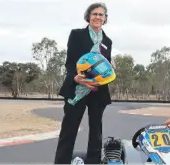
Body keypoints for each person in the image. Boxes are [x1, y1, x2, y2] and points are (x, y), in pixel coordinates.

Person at [54, 2, 113, 164]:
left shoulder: (107, 41)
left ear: (105, 18)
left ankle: (94, 161)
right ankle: (61, 161)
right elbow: (70, 62)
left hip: (97, 91)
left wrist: (111, 66)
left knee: (96, 132)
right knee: (68, 131)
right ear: (88, 16)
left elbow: (105, 66)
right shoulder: (77, 34)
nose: (97, 17)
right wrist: (75, 77)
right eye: (94, 14)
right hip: (77, 89)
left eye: (101, 15)